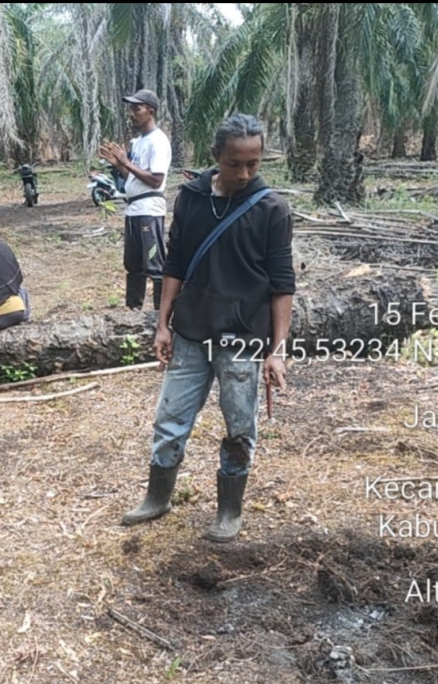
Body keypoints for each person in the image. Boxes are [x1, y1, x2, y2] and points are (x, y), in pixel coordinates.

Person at [120, 114, 294, 543]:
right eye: (235, 163)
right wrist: (162, 324)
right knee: (170, 419)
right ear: (216, 157)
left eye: (254, 163)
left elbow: (282, 284)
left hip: (241, 340)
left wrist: (278, 348)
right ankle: (157, 498)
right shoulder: (192, 198)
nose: (244, 173)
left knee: (239, 425)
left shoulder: (272, 208)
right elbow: (175, 264)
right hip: (191, 333)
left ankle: (229, 511)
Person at [99, 88, 172, 311]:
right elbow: (131, 177)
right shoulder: (138, 141)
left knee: (155, 265)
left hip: (149, 210)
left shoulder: (158, 141)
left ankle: (160, 315)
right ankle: (132, 313)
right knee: (133, 265)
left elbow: (156, 179)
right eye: (131, 109)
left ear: (150, 111)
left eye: (136, 108)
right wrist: (119, 165)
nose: (132, 113)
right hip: (133, 210)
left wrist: (127, 163)